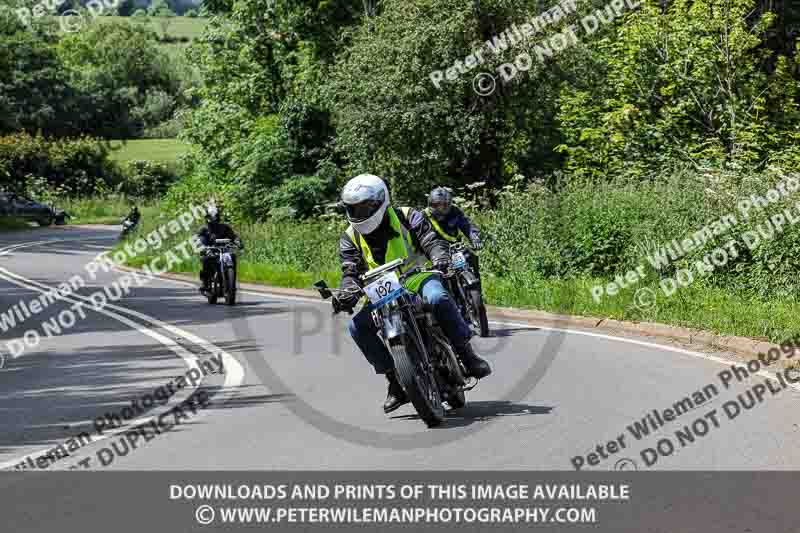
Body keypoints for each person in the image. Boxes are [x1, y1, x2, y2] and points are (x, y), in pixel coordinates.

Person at [335, 174, 491, 414]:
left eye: (364, 206)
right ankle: (395, 381)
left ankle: (467, 354)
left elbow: (430, 241)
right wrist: (347, 292)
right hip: (380, 289)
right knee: (357, 327)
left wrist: (440, 257)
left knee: (438, 298)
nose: (359, 212)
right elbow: (350, 271)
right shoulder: (349, 236)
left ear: (380, 201)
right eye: (353, 208)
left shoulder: (408, 216)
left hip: (415, 276)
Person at [424, 187, 483, 285]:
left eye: (445, 205)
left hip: (456, 249)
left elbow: (467, 224)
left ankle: (477, 289)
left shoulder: (454, 211)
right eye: (439, 205)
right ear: (431, 204)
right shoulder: (423, 216)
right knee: (438, 278)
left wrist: (474, 237)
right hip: (436, 253)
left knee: (472, 257)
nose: (442, 208)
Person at [195, 206, 242, 294]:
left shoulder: (225, 227)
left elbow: (233, 236)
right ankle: (205, 283)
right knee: (206, 259)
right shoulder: (204, 229)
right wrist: (202, 246)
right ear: (207, 217)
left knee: (233, 257)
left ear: (218, 216)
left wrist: (238, 242)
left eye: (215, 216)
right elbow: (199, 240)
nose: (213, 219)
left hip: (224, 250)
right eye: (211, 217)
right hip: (210, 251)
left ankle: (232, 284)